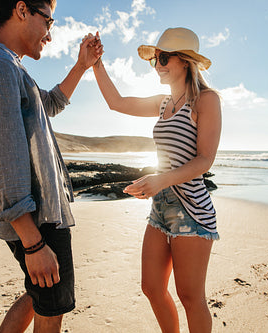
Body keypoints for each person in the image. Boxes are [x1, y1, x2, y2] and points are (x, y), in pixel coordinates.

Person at [0, 1, 102, 332]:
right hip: (37, 221)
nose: (50, 36)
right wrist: (34, 243)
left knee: (38, 295)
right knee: (50, 310)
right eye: (49, 22)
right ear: (22, 10)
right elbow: (2, 160)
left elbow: (48, 103)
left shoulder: (9, 66)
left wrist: (82, 66)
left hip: (41, 216)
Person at [89, 27, 221, 332]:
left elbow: (205, 160)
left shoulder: (206, 100)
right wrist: (96, 63)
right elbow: (117, 102)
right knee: (151, 287)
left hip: (192, 212)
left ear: (185, 61)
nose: (158, 65)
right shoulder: (163, 103)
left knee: (190, 297)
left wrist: (160, 180)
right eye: (155, 59)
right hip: (160, 210)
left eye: (163, 58)